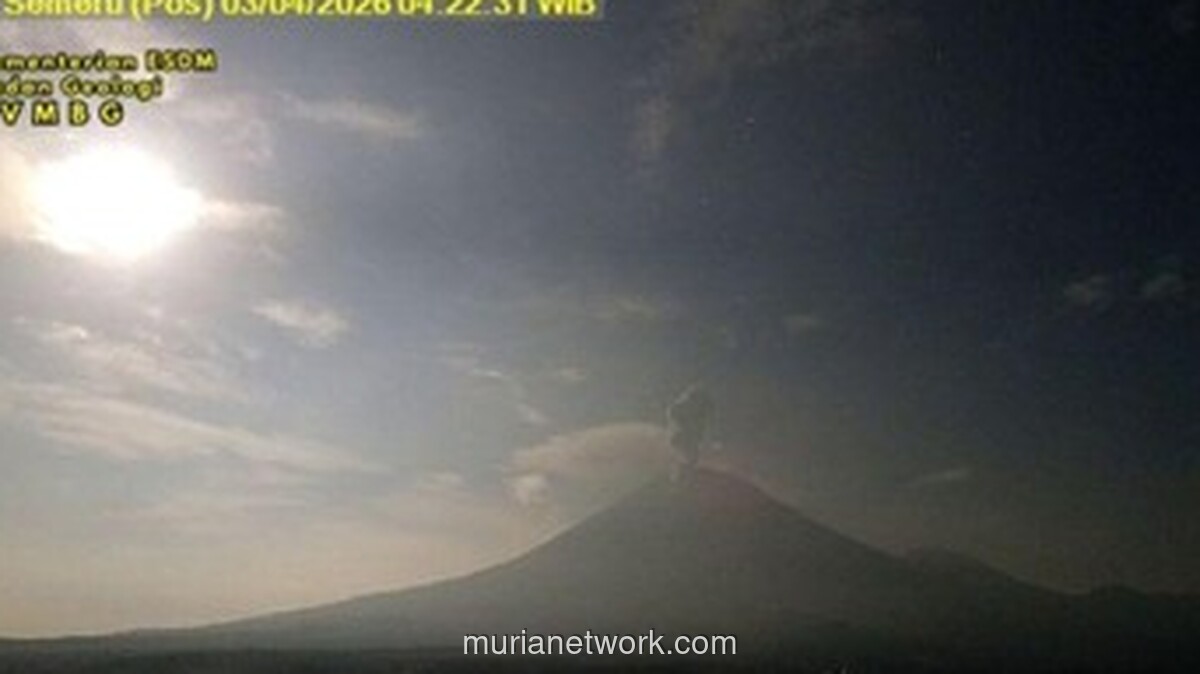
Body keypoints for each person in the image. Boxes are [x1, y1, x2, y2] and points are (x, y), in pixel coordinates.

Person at [666, 384, 714, 469]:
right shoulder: (684, 404)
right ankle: (679, 467)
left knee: (690, 454)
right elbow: (672, 412)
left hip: (689, 435)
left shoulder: (701, 408)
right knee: (684, 451)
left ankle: (684, 467)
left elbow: (704, 425)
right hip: (683, 433)